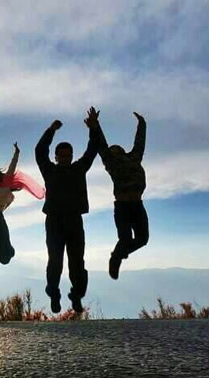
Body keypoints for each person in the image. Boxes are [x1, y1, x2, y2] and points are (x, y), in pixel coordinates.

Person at [35, 107, 101, 314]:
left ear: (72, 156)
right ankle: (54, 293)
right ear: (56, 157)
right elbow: (40, 151)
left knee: (77, 263)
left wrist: (94, 127)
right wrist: (51, 130)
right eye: (61, 155)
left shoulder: (79, 168)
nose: (65, 158)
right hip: (54, 221)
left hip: (74, 220)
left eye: (68, 155)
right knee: (55, 261)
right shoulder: (49, 170)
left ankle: (77, 295)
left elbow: (92, 149)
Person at [96, 112, 148, 280]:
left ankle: (118, 254)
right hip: (123, 207)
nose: (114, 149)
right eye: (111, 150)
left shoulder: (134, 157)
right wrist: (95, 125)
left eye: (116, 148)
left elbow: (139, 142)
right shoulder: (111, 162)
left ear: (122, 151)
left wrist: (142, 123)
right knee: (125, 239)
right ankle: (116, 258)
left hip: (138, 205)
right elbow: (102, 145)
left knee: (142, 239)